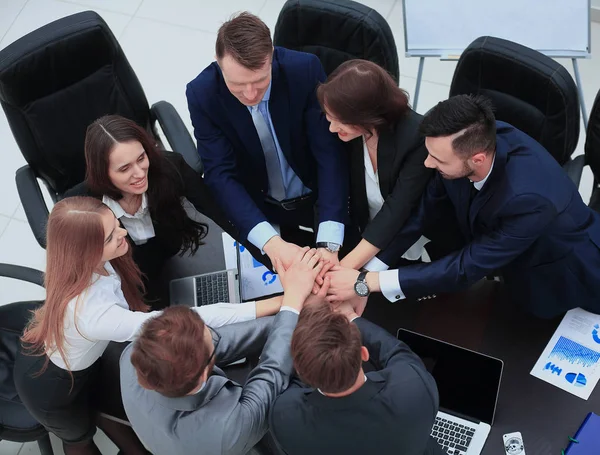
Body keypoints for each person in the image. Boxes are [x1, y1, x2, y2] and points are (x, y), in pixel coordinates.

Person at [14, 196, 281, 455]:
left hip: (80, 360)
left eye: (115, 223)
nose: (122, 233)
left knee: (99, 407)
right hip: (53, 388)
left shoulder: (76, 264)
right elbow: (190, 321)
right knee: (80, 438)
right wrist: (278, 303)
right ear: (87, 251)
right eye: (110, 237)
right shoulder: (93, 314)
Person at [326, 95, 600, 318]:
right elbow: (422, 213)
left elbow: (464, 268)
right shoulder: (469, 142)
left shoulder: (530, 201)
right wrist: (366, 272)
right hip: (503, 258)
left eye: (438, 160)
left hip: (558, 273)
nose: (428, 164)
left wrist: (365, 284)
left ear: (477, 160)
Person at [119, 248, 327, 455]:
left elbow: (220, 342)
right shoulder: (226, 429)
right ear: (201, 376)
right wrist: (294, 307)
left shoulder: (135, 354)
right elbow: (271, 375)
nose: (216, 335)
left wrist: (293, 310)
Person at [186, 12, 349, 271]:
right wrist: (271, 243)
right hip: (258, 207)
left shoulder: (304, 71)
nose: (250, 94)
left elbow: (329, 154)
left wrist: (328, 244)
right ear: (218, 63)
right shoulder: (202, 93)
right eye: (238, 84)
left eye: (260, 81)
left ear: (272, 56)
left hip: (316, 197)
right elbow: (220, 173)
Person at [65, 114, 250, 309]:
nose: (139, 173)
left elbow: (223, 211)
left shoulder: (169, 167)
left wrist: (270, 248)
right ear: (103, 173)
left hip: (169, 252)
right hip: (120, 279)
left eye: (141, 158)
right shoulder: (80, 204)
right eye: (125, 168)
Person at [270, 302, 443, 455]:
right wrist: (351, 316)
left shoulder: (285, 417)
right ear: (364, 353)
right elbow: (399, 353)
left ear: (299, 370)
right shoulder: (413, 387)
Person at [316, 59, 435, 270]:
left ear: (366, 115)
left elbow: (397, 210)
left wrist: (345, 270)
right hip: (364, 240)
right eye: (328, 117)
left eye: (340, 120)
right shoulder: (348, 135)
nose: (332, 128)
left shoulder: (416, 137)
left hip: (412, 247)